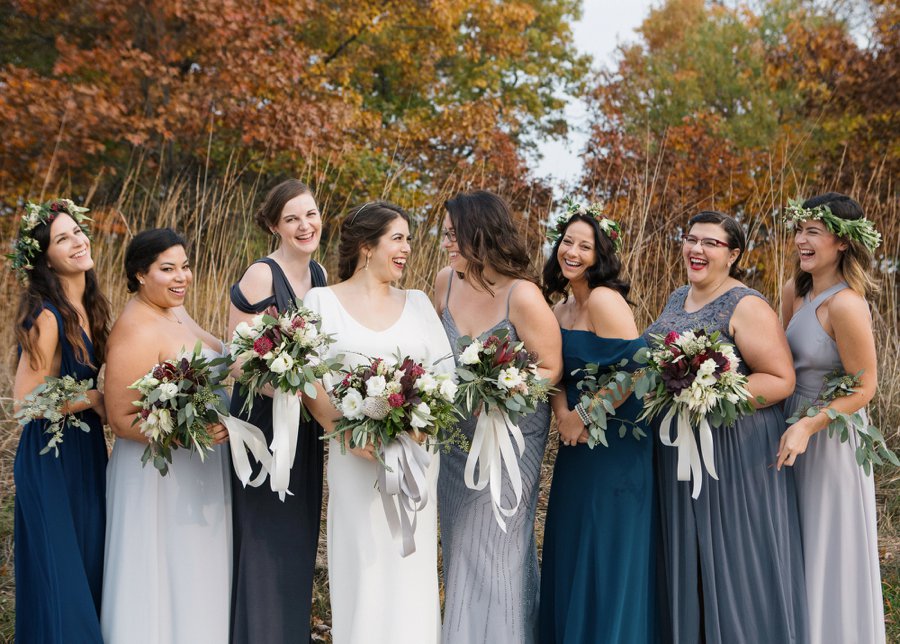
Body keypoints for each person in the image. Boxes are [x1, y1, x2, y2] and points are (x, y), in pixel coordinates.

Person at [644, 211, 808, 643]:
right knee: (691, 557)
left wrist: (709, 394)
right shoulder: (678, 297)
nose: (696, 250)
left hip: (734, 452)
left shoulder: (747, 305)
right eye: (691, 239)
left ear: (733, 255)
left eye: (711, 243)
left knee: (735, 558)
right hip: (681, 450)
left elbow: (779, 379)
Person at [303, 201, 454, 643]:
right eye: (398, 238)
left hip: (415, 457)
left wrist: (418, 426)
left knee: (410, 566)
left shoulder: (420, 303)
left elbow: (445, 377)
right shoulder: (322, 301)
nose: (408, 247)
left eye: (409, 238)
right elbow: (310, 380)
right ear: (367, 246)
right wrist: (346, 432)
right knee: (364, 566)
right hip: (354, 460)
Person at [434, 190, 562, 644]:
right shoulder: (445, 281)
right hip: (454, 438)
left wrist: (503, 392)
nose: (446, 241)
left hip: (510, 436)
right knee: (461, 546)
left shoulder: (522, 294)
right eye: (444, 233)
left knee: (498, 546)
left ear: (479, 233)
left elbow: (550, 367)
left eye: (453, 233)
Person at [101, 228, 231, 643]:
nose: (182, 277)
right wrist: (189, 434)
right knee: (164, 565)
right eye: (167, 268)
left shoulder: (174, 310)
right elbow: (121, 418)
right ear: (141, 274)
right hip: (160, 475)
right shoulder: (135, 327)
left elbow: (220, 356)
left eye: (186, 266)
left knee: (196, 566)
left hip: (200, 467)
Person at [537, 207, 656, 643]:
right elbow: (551, 371)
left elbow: (638, 370)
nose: (572, 251)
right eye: (568, 241)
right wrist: (564, 416)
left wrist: (585, 416)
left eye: (584, 245)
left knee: (606, 546)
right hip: (575, 444)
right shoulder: (560, 308)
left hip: (617, 447)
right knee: (572, 542)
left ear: (600, 254)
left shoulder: (606, 300)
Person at [778, 193, 885, 644]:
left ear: (842, 242)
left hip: (830, 440)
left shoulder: (847, 305)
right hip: (788, 428)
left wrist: (809, 424)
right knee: (793, 540)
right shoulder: (794, 290)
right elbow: (783, 365)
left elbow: (865, 388)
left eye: (813, 233)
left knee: (826, 545)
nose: (802, 241)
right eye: (800, 231)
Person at [227, 179, 327, 643]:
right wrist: (291, 390)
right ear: (274, 226)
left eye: (310, 214)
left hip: (306, 425)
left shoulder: (322, 277)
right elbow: (239, 360)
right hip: (265, 425)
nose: (304, 225)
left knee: (297, 539)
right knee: (266, 540)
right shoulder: (262, 275)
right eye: (291, 218)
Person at [12, 199, 111, 643]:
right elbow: (25, 402)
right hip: (50, 459)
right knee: (64, 579)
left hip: (87, 453)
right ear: (45, 258)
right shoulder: (49, 317)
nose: (77, 241)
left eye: (77, 231)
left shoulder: (91, 308)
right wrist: (93, 396)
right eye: (63, 238)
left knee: (88, 567)